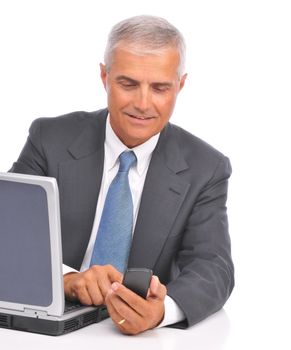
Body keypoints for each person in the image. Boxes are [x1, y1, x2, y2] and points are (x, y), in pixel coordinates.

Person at [10, 15, 234, 335]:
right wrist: (66, 280)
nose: (142, 104)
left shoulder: (206, 168)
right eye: (128, 84)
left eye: (159, 88)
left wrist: (162, 310)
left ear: (180, 85)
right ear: (105, 76)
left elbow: (214, 267)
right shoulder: (49, 139)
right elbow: (10, 234)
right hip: (45, 328)